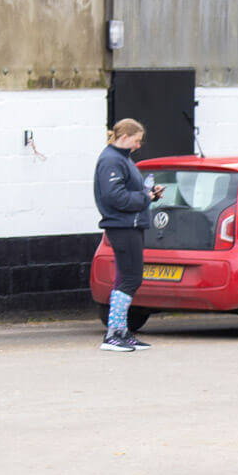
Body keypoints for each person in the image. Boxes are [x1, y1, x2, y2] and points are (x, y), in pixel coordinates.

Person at [94, 118, 162, 353]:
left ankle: (120, 332)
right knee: (131, 279)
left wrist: (149, 192)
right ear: (124, 137)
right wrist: (146, 198)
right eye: (136, 140)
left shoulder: (121, 159)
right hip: (123, 226)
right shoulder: (111, 160)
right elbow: (116, 197)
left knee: (125, 278)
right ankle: (114, 333)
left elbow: (126, 192)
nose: (138, 145)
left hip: (130, 224)